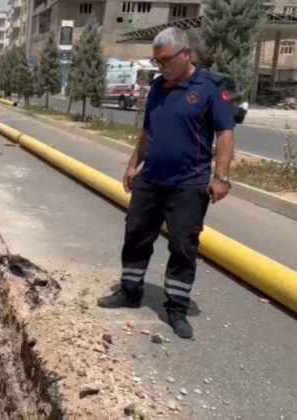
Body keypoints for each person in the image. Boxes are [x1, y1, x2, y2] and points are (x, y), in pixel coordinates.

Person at [97, 27, 236, 339]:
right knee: (135, 235)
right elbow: (148, 131)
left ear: (185, 54)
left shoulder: (211, 87)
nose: (161, 67)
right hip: (151, 179)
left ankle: (176, 306)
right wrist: (134, 165)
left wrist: (221, 177)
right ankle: (130, 290)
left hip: (188, 184)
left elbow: (225, 132)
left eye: (166, 60)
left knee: (183, 246)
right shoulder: (159, 87)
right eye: (157, 61)